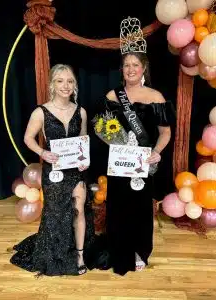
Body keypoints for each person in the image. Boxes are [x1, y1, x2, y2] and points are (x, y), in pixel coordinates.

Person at [95, 17, 175, 275]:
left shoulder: (156, 97)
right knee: (118, 208)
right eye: (126, 65)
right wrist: (112, 141)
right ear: (122, 69)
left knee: (140, 208)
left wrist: (156, 153)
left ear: (144, 68)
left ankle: (140, 249)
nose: (130, 69)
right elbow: (100, 129)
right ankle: (120, 248)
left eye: (135, 65)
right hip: (119, 162)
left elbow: (165, 133)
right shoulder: (111, 96)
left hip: (143, 164)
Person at [10, 64, 95, 276]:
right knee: (56, 213)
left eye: (70, 81)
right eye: (60, 81)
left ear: (74, 85)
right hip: (54, 169)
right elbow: (27, 138)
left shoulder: (81, 111)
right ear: (52, 85)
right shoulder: (41, 112)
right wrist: (42, 152)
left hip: (76, 170)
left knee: (80, 209)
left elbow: (83, 140)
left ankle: (80, 254)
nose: (65, 86)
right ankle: (56, 249)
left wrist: (85, 159)